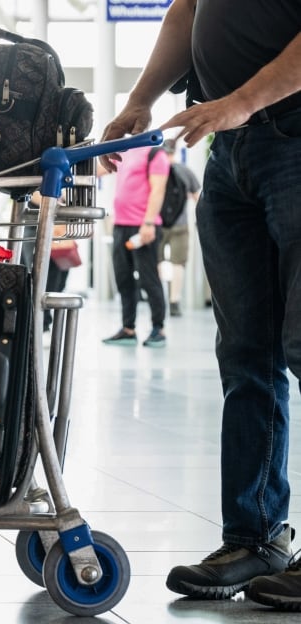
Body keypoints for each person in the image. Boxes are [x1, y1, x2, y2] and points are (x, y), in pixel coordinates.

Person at [99, 0, 301, 610]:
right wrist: (142, 100)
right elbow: (188, 10)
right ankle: (254, 538)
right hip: (231, 156)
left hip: (292, 140)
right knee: (246, 354)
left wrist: (239, 102)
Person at [101, 142, 169, 348]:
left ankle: (159, 328)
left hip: (144, 227)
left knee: (149, 279)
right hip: (120, 225)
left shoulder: (155, 153)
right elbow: (99, 169)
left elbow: (158, 189)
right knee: (123, 278)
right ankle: (128, 328)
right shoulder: (123, 151)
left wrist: (148, 222)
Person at [156, 139, 201, 317]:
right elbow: (199, 198)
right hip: (180, 225)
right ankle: (174, 301)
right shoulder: (186, 171)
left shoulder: (157, 170)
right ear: (174, 152)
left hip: (158, 224)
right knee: (178, 264)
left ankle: (160, 297)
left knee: (157, 261)